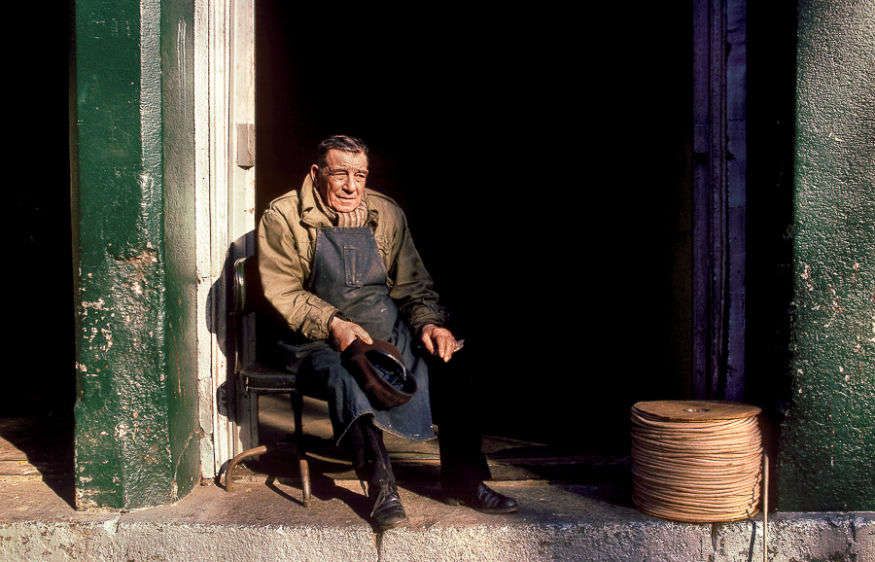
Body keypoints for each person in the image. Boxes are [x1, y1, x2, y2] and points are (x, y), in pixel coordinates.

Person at [256, 135, 518, 530]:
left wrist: (430, 323)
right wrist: (334, 323)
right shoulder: (282, 216)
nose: (351, 186)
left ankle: (464, 481)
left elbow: (412, 285)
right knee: (348, 378)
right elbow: (285, 292)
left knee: (452, 362)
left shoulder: (386, 213)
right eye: (340, 173)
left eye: (359, 174)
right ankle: (380, 486)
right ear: (316, 173)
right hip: (313, 338)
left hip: (383, 328)